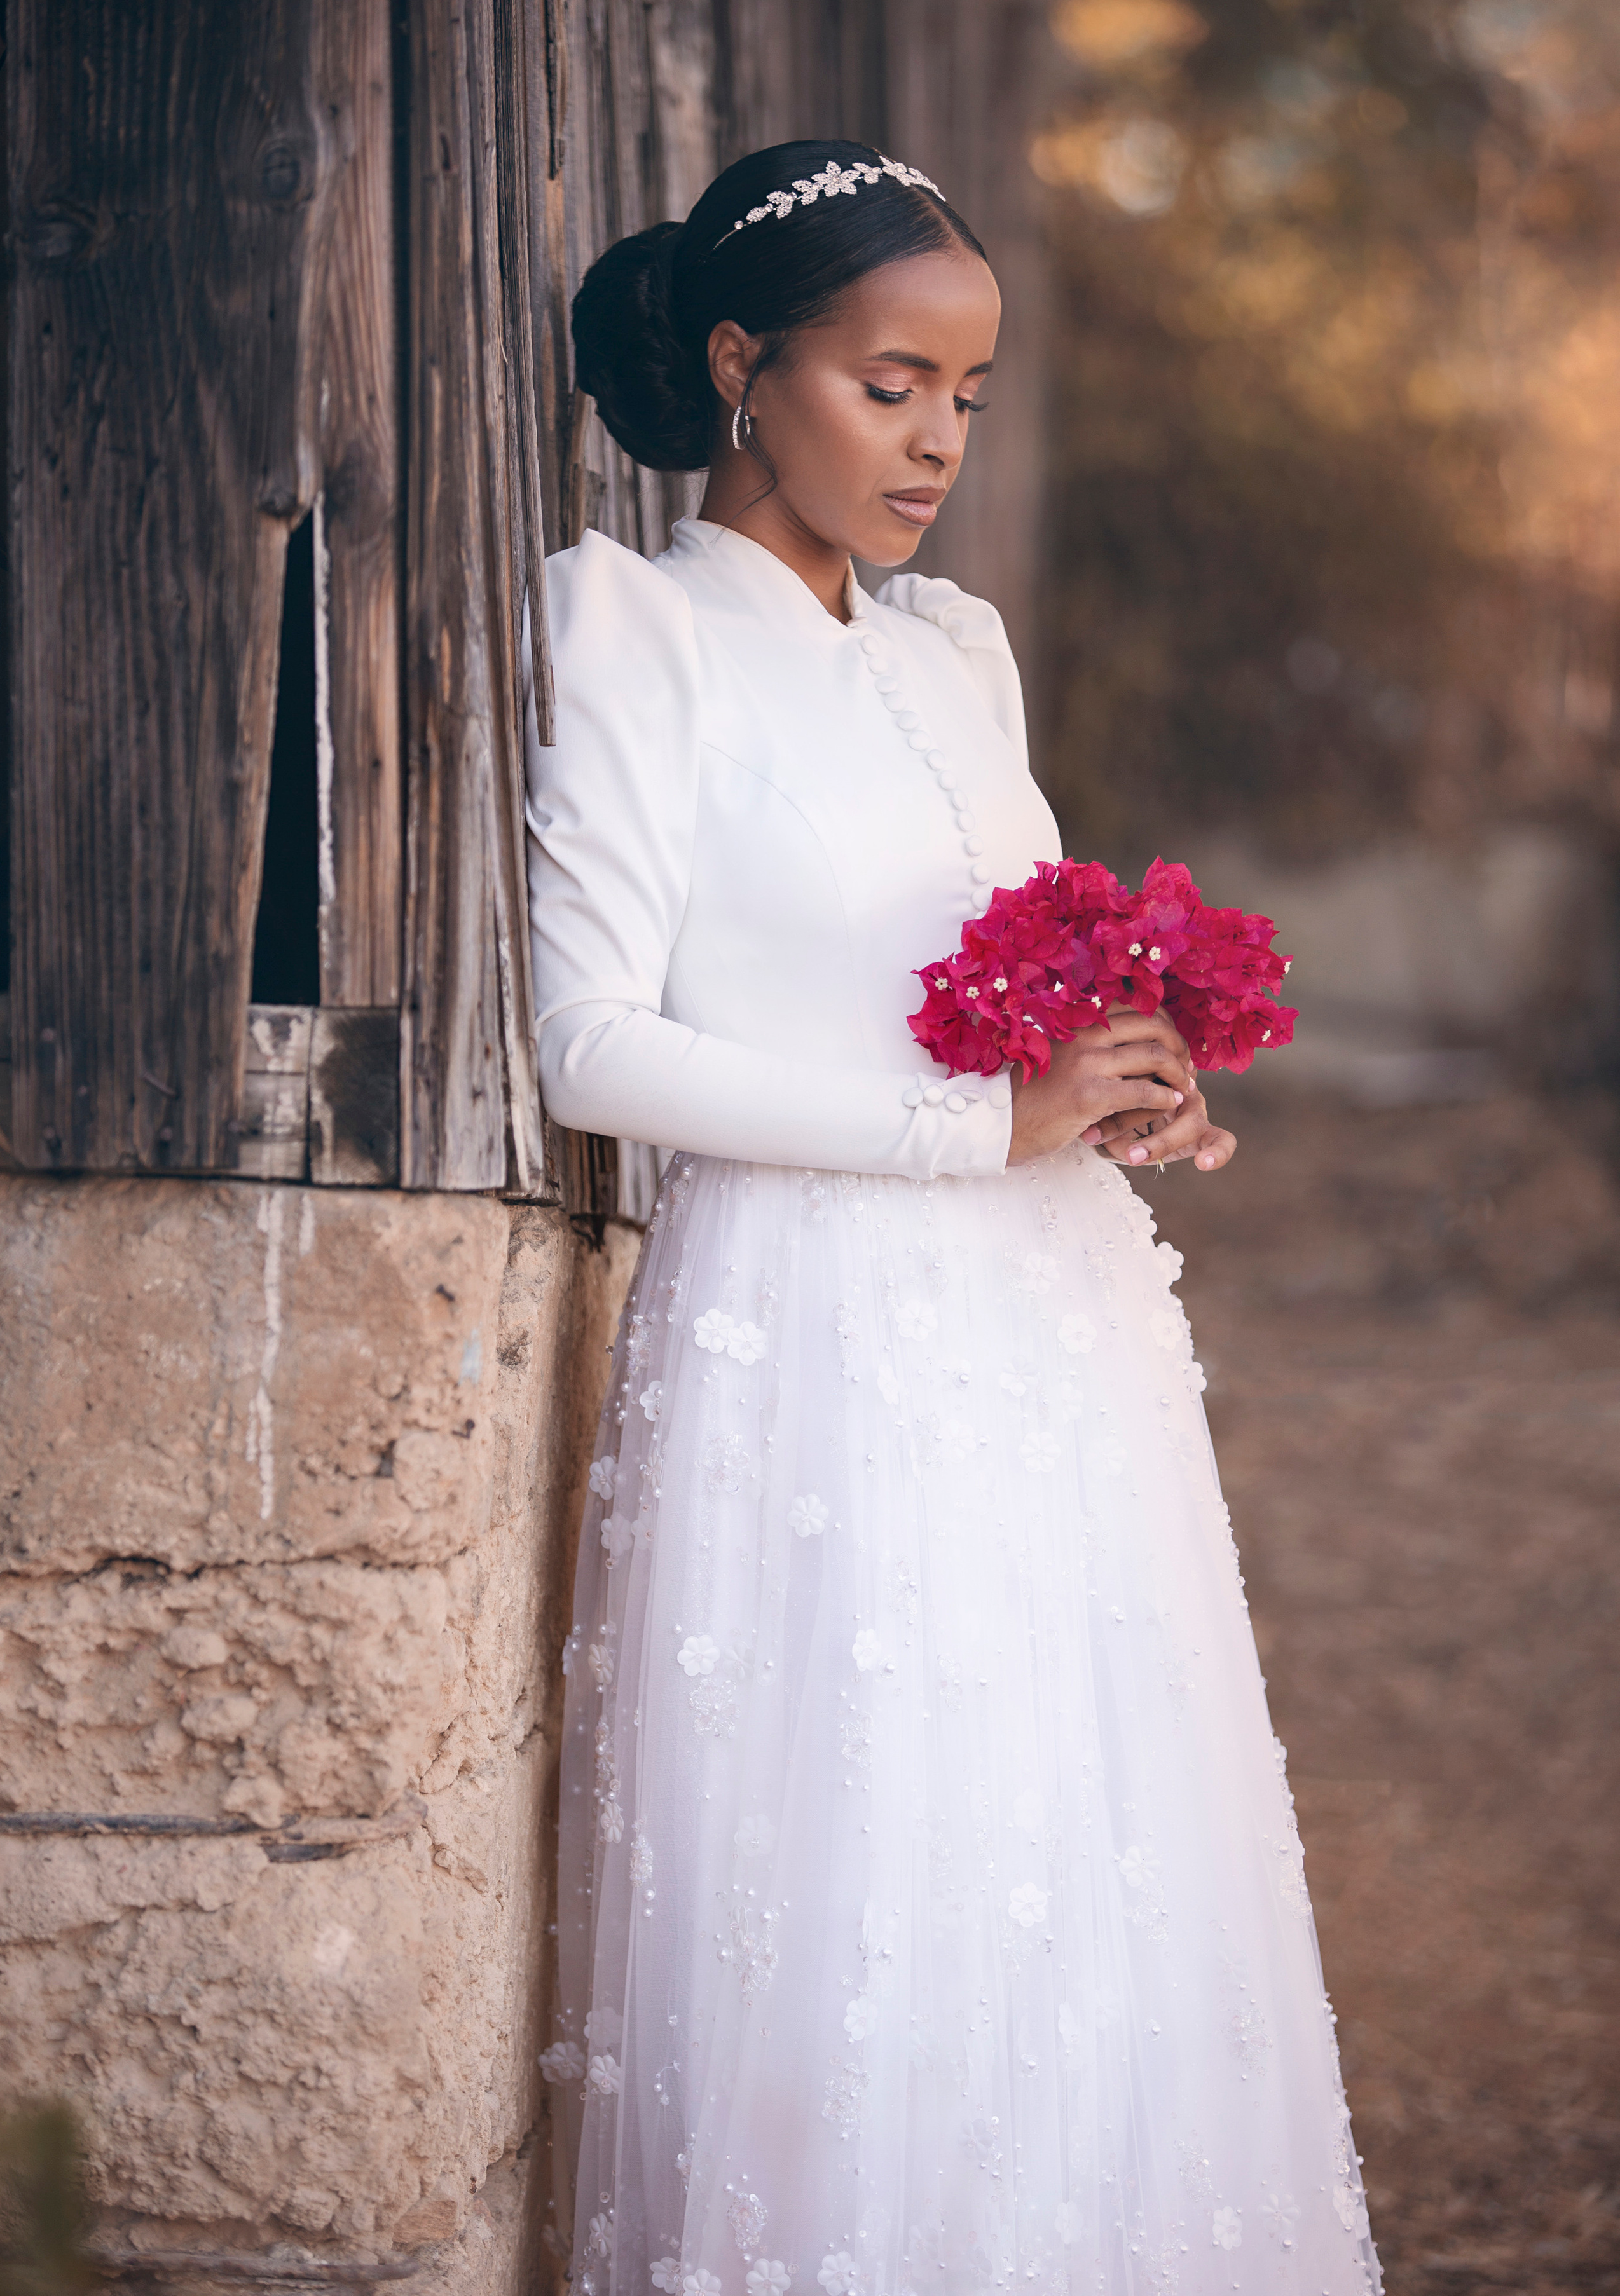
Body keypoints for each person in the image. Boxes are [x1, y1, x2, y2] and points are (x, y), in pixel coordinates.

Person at [526, 140, 1380, 2296]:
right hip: (809, 1327)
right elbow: (588, 1043)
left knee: (1074, 1854)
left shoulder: (959, 652)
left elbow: (981, 978)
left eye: (968, 399)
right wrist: (962, 1142)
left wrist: (1115, 1083)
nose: (936, 445)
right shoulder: (631, 623)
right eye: (890, 384)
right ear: (744, 364)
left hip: (1052, 1327)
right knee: (863, 1878)